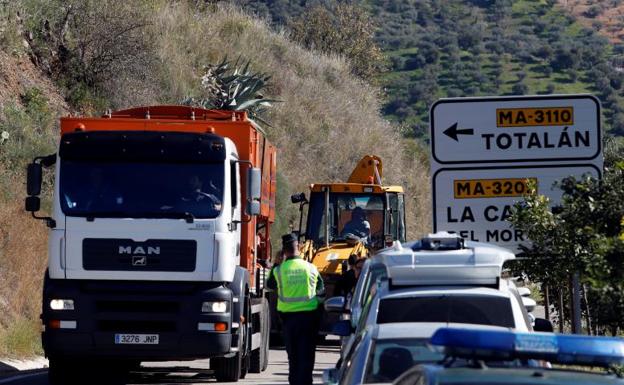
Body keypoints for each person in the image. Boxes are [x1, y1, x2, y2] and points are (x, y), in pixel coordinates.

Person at [266, 233, 324, 385]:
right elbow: (321, 288)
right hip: (309, 320)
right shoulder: (311, 268)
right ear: (298, 247)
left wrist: (277, 263)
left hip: (289, 321)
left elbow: (270, 285)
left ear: (284, 251)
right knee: (307, 355)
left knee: (293, 357)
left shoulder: (278, 271)